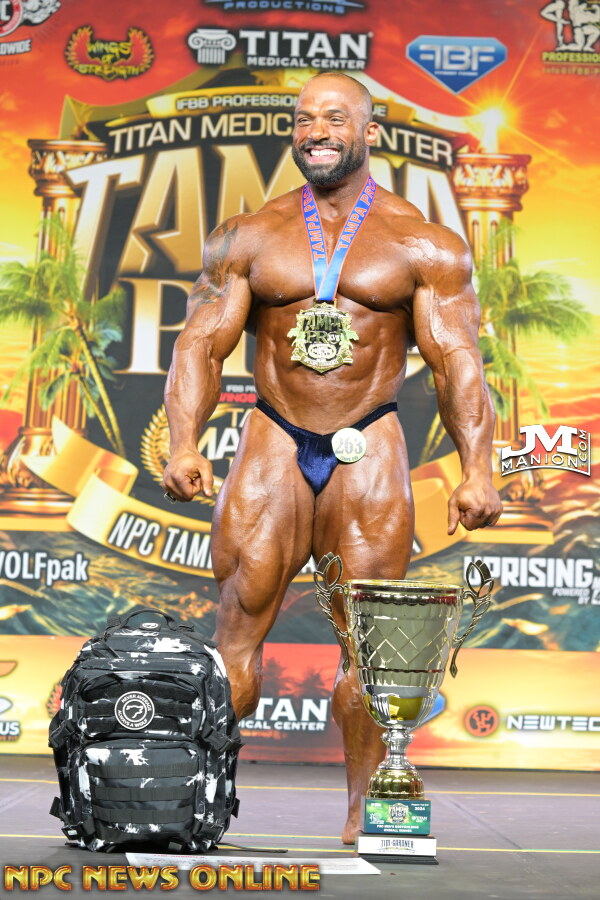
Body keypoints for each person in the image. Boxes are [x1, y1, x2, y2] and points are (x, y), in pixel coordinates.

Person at [162, 72, 503, 844]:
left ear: (369, 132)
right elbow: (200, 345)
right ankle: (200, 803)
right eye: (304, 118)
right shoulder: (249, 235)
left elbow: (456, 362)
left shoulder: (423, 242)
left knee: (371, 643)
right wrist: (183, 441)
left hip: (369, 445)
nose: (316, 130)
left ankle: (366, 811)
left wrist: (479, 469)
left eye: (334, 117)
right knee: (238, 628)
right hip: (273, 442)